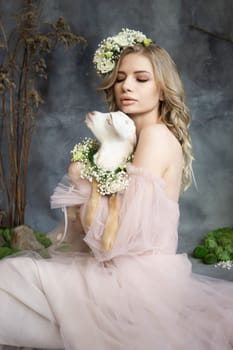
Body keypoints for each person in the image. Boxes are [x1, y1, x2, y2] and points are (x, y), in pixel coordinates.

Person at [0, 28, 232, 350]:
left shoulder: (154, 137)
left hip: (132, 284)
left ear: (163, 89)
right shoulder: (134, 138)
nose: (126, 86)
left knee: (11, 279)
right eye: (121, 77)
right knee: (18, 281)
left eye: (141, 78)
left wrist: (82, 181)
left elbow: (116, 240)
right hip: (136, 274)